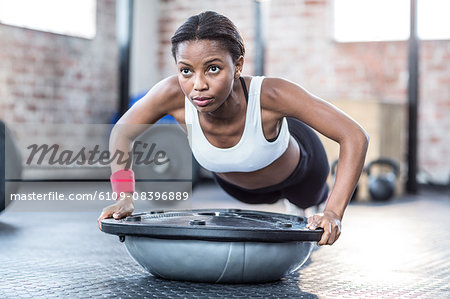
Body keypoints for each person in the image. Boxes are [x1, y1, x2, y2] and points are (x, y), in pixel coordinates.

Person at [97, 11, 369, 246]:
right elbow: (122, 131)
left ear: (238, 65)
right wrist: (124, 197)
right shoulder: (170, 94)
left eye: (213, 69)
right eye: (186, 71)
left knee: (308, 200)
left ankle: (310, 202)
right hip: (240, 189)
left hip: (301, 174)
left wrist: (333, 212)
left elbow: (355, 136)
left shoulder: (272, 94)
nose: (198, 85)